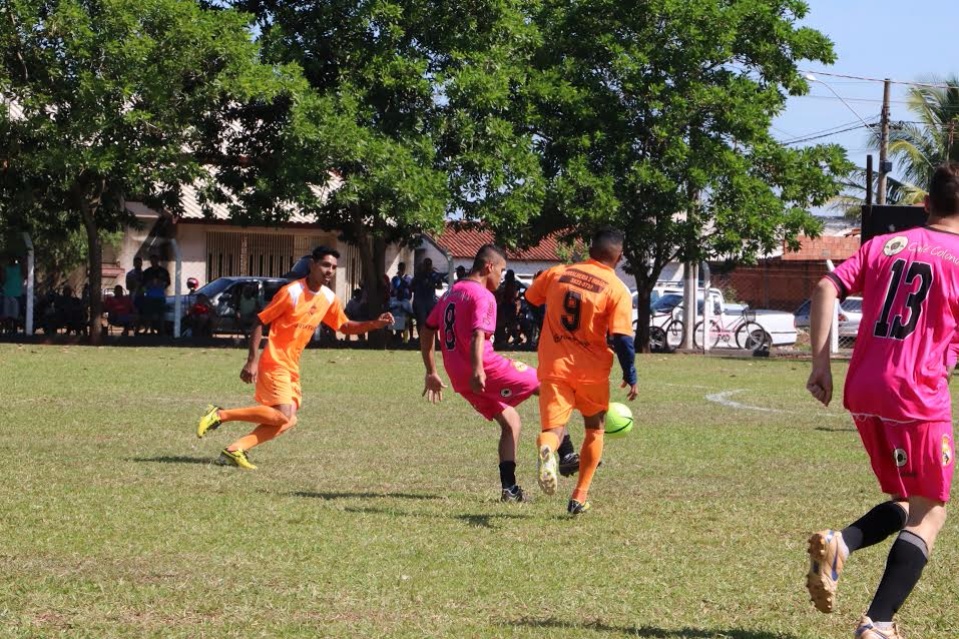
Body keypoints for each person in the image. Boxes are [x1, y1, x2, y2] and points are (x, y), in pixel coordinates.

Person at [804, 164, 959, 639]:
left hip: (865, 389)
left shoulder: (884, 245)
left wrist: (821, 364)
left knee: (903, 499)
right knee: (931, 511)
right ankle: (879, 623)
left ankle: (842, 543)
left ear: (925, 203)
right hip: (917, 394)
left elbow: (826, 286)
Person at [195, 246, 394, 470]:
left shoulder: (328, 298)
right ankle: (220, 414)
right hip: (274, 360)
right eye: (325, 265)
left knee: (288, 419)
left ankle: (235, 449)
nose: (329, 271)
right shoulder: (291, 292)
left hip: (291, 365)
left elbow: (344, 326)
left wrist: (375, 324)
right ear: (312, 265)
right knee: (283, 415)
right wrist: (252, 360)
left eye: (334, 268)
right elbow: (261, 321)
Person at [420, 244, 578, 502]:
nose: (502, 277)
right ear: (488, 267)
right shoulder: (482, 296)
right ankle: (567, 452)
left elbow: (427, 329)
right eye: (502, 271)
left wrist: (431, 371)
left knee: (511, 422)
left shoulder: (451, 293)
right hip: (483, 370)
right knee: (547, 382)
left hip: (460, 378)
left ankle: (510, 489)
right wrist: (479, 369)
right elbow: (477, 334)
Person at [524, 227, 637, 515]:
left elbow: (531, 299)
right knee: (595, 429)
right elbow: (623, 338)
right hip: (592, 372)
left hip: (554, 365)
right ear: (619, 256)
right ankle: (579, 496)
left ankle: (546, 447)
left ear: (590, 249)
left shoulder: (558, 272)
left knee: (554, 429)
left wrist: (548, 324)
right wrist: (630, 374)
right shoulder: (615, 289)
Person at [412, 258, 444, 338]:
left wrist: (432, 285)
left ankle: (435, 339)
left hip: (431, 301)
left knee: (433, 321)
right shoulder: (419, 275)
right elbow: (412, 286)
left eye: (429, 264)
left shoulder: (434, 274)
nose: (427, 266)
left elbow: (440, 286)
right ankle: (421, 338)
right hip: (420, 301)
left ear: (431, 265)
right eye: (426, 264)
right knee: (421, 321)